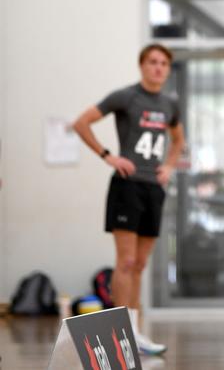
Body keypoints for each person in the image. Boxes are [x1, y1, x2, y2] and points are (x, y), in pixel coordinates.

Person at [73, 44, 185, 356]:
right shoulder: (125, 96)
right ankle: (119, 334)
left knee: (140, 264)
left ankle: (133, 333)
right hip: (127, 186)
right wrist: (108, 156)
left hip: (153, 188)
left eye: (163, 63)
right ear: (142, 66)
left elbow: (178, 140)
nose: (158, 67)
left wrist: (170, 165)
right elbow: (81, 122)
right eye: (153, 62)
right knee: (125, 261)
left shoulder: (169, 103)